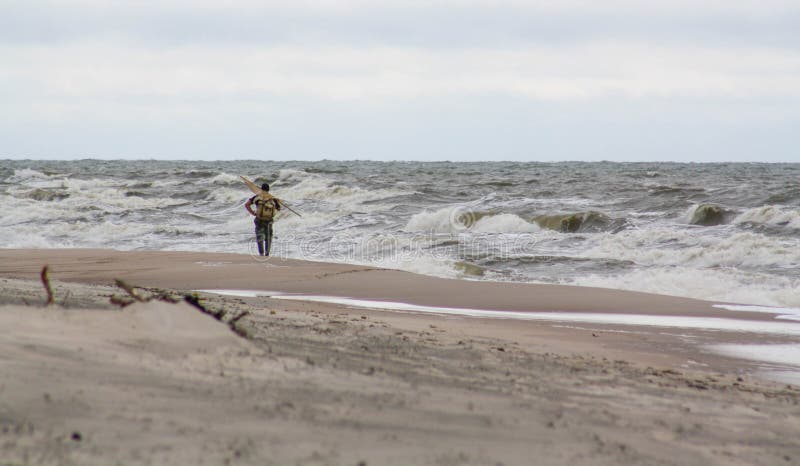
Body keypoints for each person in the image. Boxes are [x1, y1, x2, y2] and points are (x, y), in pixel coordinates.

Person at [245, 183, 282, 256]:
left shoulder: (257, 197)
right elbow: (279, 208)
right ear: (268, 190)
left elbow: (247, 205)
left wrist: (253, 213)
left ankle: (261, 254)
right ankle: (267, 253)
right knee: (268, 237)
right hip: (269, 220)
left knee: (260, 237)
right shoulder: (272, 198)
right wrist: (278, 201)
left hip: (259, 219)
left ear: (261, 189)